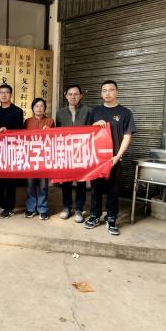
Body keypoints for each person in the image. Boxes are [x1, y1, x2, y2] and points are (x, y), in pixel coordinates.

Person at [86, 80, 137, 236]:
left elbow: (127, 136)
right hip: (97, 159)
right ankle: (95, 215)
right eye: (104, 90)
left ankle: (111, 218)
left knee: (113, 191)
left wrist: (118, 156)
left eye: (111, 90)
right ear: (101, 93)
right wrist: (94, 125)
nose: (107, 93)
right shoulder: (95, 111)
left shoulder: (125, 113)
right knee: (95, 189)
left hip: (114, 159)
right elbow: (87, 133)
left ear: (117, 92)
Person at [55, 85, 93, 223]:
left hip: (82, 151)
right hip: (66, 152)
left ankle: (79, 209)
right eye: (70, 94)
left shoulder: (88, 111)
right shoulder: (60, 113)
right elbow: (57, 133)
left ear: (80, 96)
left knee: (81, 182)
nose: (73, 96)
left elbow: (93, 130)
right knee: (66, 181)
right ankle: (66, 207)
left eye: (76, 94)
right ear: (66, 96)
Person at [0, 84, 24, 219]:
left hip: (11, 150)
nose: (4, 95)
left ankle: (9, 208)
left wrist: (7, 130)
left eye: (6, 92)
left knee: (9, 180)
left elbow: (19, 130)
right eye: (1, 92)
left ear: (11, 95)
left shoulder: (17, 111)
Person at [24, 98, 55, 221]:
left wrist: (50, 132)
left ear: (45, 108)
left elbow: (55, 138)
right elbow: (22, 138)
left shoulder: (50, 121)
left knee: (43, 185)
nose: (39, 108)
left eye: (42, 106)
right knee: (30, 184)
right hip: (30, 157)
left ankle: (43, 208)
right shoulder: (27, 122)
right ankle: (31, 208)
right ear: (32, 108)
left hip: (44, 157)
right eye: (36, 106)